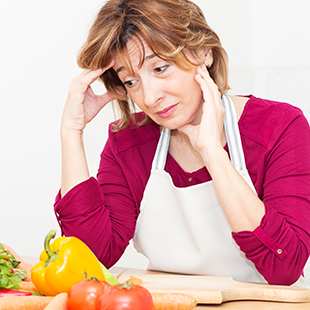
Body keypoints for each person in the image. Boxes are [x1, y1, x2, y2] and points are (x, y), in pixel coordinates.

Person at [54, 0, 310, 286]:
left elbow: (285, 264)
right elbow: (94, 258)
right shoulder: (128, 142)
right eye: (131, 81)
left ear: (204, 53)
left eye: (160, 68)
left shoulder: (279, 127)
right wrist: (71, 131)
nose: (149, 97)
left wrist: (213, 153)